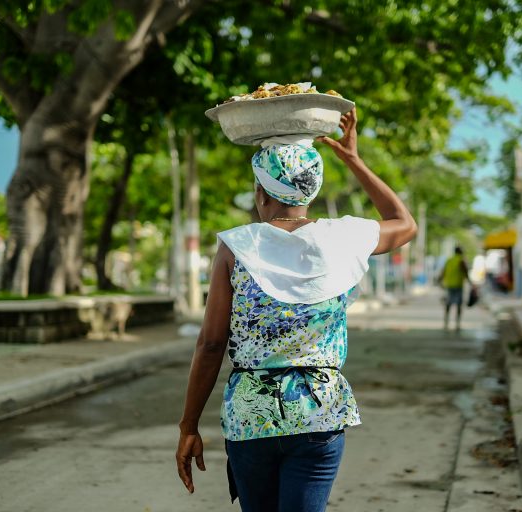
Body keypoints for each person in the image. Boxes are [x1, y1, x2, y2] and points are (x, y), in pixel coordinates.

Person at [175, 108, 417, 512]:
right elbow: (403, 222)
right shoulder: (344, 237)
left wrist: (188, 426)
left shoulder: (237, 246)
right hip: (319, 411)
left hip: (251, 415)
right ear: (311, 191)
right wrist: (354, 159)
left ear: (262, 193)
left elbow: (212, 343)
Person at [438, 246, 471, 330]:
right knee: (459, 305)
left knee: (448, 304)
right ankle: (457, 324)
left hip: (449, 285)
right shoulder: (461, 260)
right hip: (458, 285)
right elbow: (465, 272)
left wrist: (440, 280)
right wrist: (470, 282)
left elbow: (443, 271)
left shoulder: (449, 260)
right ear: (461, 252)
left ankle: (446, 323)